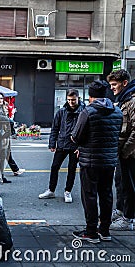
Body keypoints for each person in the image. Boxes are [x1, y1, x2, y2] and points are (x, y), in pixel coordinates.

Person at [71, 80, 122, 243]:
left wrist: (78, 142)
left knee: (90, 195)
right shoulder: (117, 111)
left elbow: (76, 136)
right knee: (106, 194)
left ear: (91, 96)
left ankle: (91, 231)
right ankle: (105, 230)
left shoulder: (88, 111)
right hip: (109, 161)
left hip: (90, 161)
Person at [39, 89, 85, 203]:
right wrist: (52, 143)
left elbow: (86, 131)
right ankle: (51, 190)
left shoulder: (84, 111)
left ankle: (67, 191)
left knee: (72, 169)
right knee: (55, 167)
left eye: (73, 100)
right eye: (69, 100)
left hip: (76, 145)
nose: (71, 102)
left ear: (78, 98)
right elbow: (55, 128)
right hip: (62, 143)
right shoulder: (61, 111)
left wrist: (81, 147)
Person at [107, 69, 135, 231]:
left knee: (129, 185)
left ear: (124, 83)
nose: (112, 88)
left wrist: (125, 151)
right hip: (123, 152)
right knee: (120, 182)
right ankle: (120, 210)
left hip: (130, 153)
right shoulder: (124, 99)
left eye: (114, 84)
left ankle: (128, 218)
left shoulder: (132, 101)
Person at [0, 92, 25, 176]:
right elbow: (8, 121)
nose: (0, 100)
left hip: (3, 134)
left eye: (1, 98)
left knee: (7, 153)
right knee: (1, 155)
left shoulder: (2, 108)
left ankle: (14, 170)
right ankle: (0, 174)